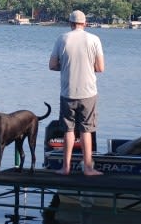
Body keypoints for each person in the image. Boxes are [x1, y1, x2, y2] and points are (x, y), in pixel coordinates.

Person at [49, 10, 105, 176]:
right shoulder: (94, 39)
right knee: (86, 130)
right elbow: (100, 68)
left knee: (68, 130)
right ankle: (88, 168)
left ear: (70, 23)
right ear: (85, 23)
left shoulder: (62, 38)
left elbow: (52, 65)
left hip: (68, 91)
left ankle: (65, 167)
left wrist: (65, 66)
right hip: (88, 92)